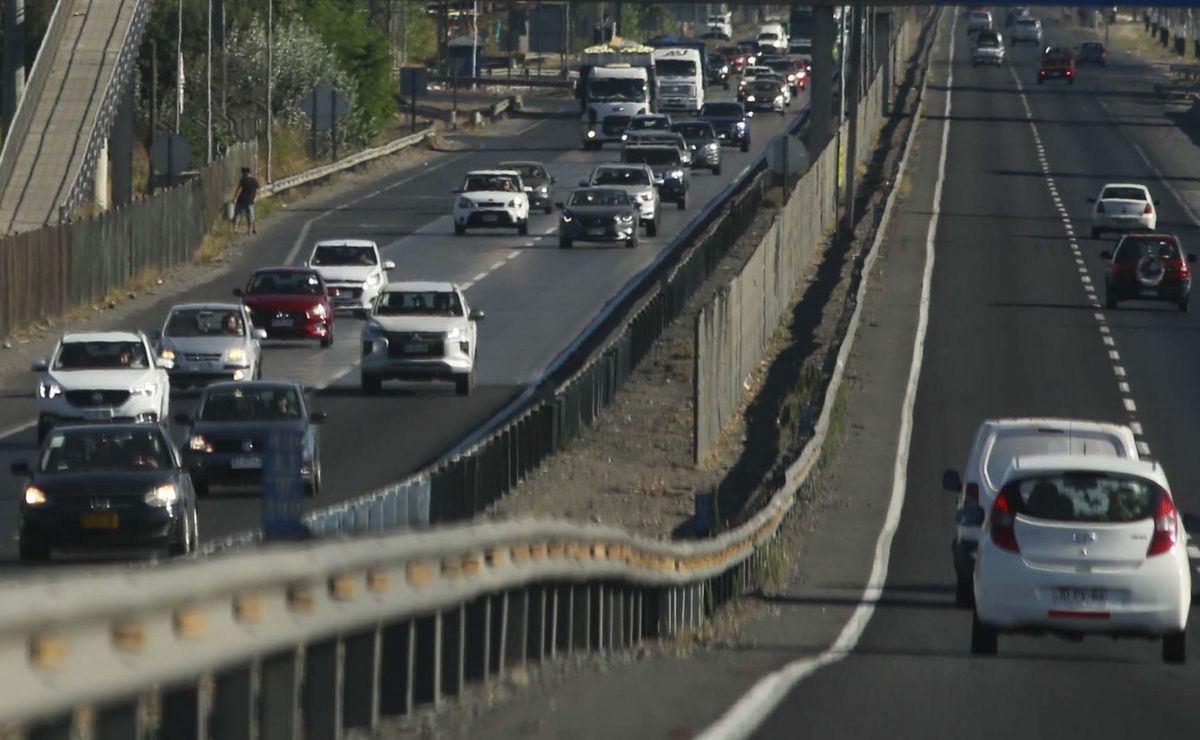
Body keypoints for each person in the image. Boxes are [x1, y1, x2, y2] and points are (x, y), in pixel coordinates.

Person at [232, 166, 260, 235]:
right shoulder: (254, 180)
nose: (242, 174)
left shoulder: (243, 180)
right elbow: (257, 189)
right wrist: (255, 197)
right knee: (251, 216)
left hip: (241, 201)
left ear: (245, 173)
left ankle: (235, 229)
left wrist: (235, 198)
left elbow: (239, 190)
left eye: (243, 173)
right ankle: (251, 229)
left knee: (237, 215)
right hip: (250, 201)